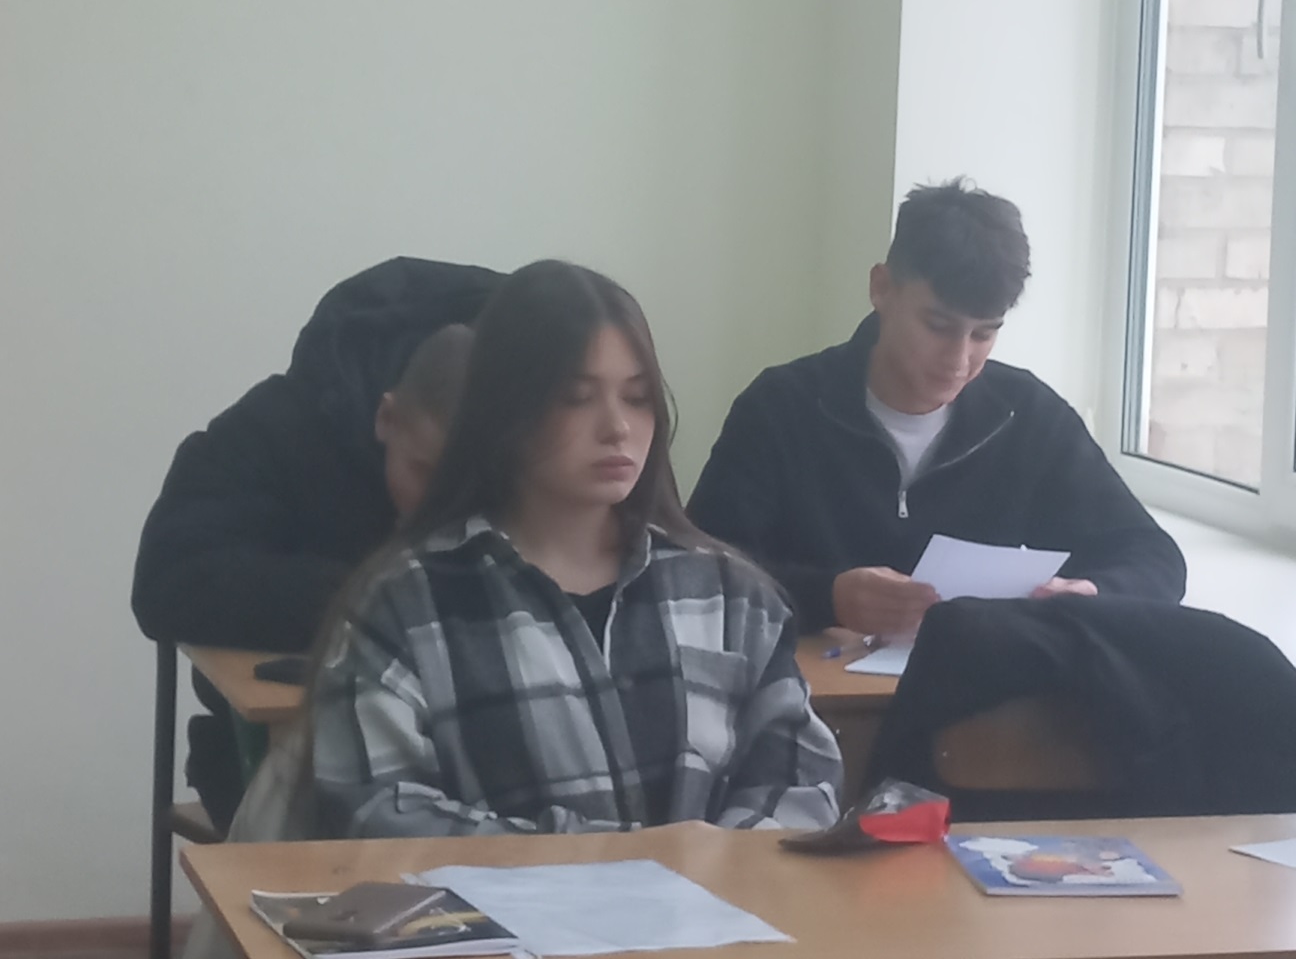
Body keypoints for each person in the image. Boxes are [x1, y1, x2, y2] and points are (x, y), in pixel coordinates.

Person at [303, 259, 841, 838]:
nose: (617, 427)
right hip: (501, 903)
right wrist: (612, 860)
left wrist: (720, 858)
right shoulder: (404, 604)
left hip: (719, 897)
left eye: (637, 397)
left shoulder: (732, 596)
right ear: (506, 410)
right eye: (577, 398)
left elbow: (799, 781)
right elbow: (374, 811)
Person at [688, 179, 1187, 642]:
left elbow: (1154, 557)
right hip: (811, 692)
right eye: (938, 326)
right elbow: (696, 568)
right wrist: (828, 597)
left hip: (975, 691)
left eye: (984, 334)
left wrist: (1091, 594)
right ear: (882, 288)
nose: (959, 360)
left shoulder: (1028, 417)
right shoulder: (781, 408)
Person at [132, 256, 499, 829]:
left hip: (494, 759)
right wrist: (379, 597)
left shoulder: (553, 428)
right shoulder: (276, 428)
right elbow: (168, 580)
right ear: (387, 418)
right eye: (425, 472)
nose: (441, 508)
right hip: (285, 758)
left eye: (471, 487)